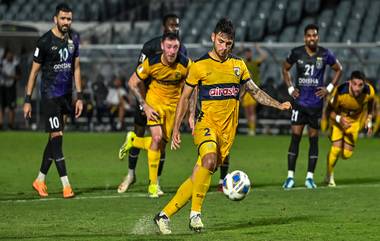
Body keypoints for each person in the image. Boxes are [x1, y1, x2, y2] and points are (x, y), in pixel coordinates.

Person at [153, 18, 291, 234]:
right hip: (205, 124)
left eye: (228, 44)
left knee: (199, 175)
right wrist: (177, 127)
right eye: (220, 42)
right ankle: (195, 215)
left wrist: (278, 104)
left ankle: (163, 215)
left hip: (227, 132)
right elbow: (185, 97)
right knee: (208, 160)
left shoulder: (238, 66)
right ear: (213, 38)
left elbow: (255, 91)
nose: (224, 47)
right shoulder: (199, 66)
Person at [117, 13, 187, 194]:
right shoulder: (149, 47)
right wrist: (143, 104)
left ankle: (155, 180)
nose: (175, 28)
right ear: (164, 27)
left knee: (161, 143)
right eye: (172, 25)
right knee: (143, 131)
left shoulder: (182, 50)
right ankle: (131, 174)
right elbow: (137, 77)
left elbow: (184, 79)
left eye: (177, 26)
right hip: (148, 97)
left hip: (169, 102)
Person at [23, 3, 83, 198]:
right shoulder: (44, 42)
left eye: (69, 19)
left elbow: (76, 68)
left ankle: (39, 180)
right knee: (57, 138)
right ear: (55, 19)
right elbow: (33, 73)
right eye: (63, 18)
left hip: (66, 97)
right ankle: (66, 185)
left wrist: (79, 96)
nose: (66, 22)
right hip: (50, 97)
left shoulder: (74, 38)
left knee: (54, 139)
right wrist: (27, 99)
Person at [282, 23, 342, 189]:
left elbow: (339, 69)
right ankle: (290, 177)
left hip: (315, 104)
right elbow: (285, 68)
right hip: (299, 103)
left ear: (318, 37)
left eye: (314, 35)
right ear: (304, 37)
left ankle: (309, 177)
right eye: (309, 35)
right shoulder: (296, 52)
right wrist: (290, 88)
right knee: (295, 139)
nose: (312, 38)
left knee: (313, 140)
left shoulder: (325, 53)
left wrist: (329, 88)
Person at [325, 71, 375, 187]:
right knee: (336, 149)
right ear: (349, 83)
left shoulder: (369, 91)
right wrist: (338, 119)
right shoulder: (340, 91)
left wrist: (369, 119)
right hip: (338, 122)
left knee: (346, 155)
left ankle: (332, 156)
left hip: (354, 123)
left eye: (360, 85)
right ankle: (329, 176)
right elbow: (328, 111)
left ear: (364, 84)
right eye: (354, 84)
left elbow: (371, 103)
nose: (357, 88)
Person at [241, 44, 268, 136]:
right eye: (246, 53)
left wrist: (258, 48)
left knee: (251, 110)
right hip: (245, 91)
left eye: (249, 53)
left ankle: (252, 129)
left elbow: (264, 56)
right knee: (247, 111)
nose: (248, 55)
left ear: (251, 54)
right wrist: (240, 50)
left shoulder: (255, 63)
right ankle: (250, 128)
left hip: (253, 90)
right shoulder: (243, 63)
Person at [0, 49, 20, 129]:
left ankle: (10, 124)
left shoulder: (15, 64)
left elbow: (19, 76)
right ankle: (0, 124)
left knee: (12, 106)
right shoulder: (2, 63)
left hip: (11, 87)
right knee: (1, 106)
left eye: (11, 54)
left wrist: (10, 76)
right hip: (2, 86)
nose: (9, 56)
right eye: (8, 54)